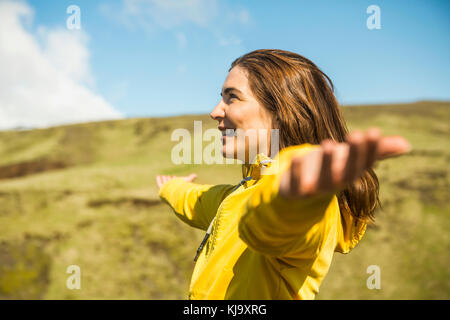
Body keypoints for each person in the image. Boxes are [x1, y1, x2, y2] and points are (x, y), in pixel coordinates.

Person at [156, 49, 411, 300]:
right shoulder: (238, 194)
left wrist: (295, 198)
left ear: (281, 110)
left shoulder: (314, 209)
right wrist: (171, 188)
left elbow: (274, 224)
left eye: (231, 97)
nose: (214, 112)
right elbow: (197, 199)